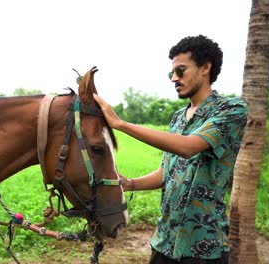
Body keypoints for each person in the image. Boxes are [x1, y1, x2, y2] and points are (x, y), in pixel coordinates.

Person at [93, 35, 248, 264]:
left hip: (202, 248)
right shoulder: (177, 119)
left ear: (206, 67)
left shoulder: (231, 111)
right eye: (171, 73)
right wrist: (130, 184)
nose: (174, 78)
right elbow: (167, 171)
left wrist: (121, 124)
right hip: (164, 242)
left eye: (181, 71)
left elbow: (189, 147)